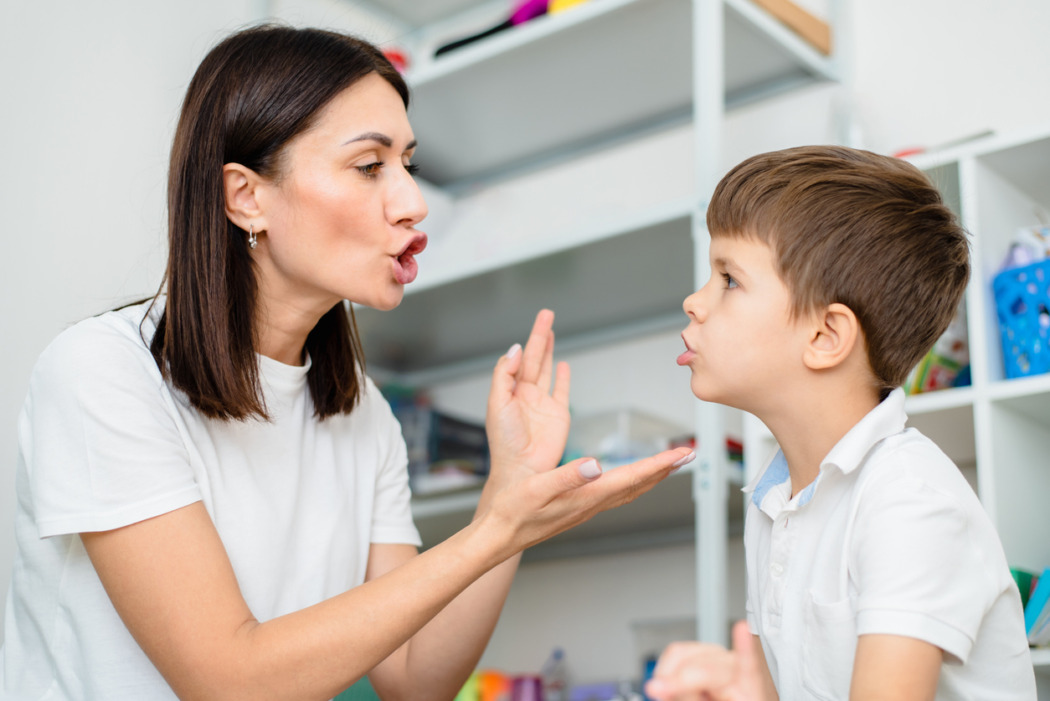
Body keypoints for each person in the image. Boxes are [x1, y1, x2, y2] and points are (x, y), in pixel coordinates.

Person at [0, 25, 695, 700]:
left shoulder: (360, 412)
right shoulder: (103, 373)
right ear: (246, 196)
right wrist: (496, 530)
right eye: (370, 166)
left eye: (408, 164)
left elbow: (416, 678)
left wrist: (508, 496)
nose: (413, 203)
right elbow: (229, 680)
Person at [645, 146, 1036, 700]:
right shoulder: (774, 500)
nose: (693, 301)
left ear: (826, 337)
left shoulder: (909, 500)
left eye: (728, 279)